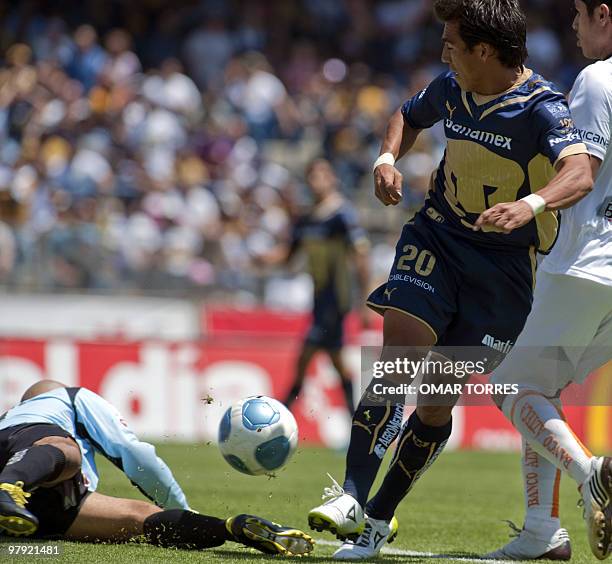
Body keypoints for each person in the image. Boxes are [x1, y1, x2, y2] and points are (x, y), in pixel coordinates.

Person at [307, 0, 594, 560]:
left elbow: (579, 171)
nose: (442, 52)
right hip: (437, 238)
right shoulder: (453, 87)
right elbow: (408, 116)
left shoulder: (542, 108)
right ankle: (350, 495)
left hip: (505, 274)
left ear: (483, 51)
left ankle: (375, 521)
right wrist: (385, 160)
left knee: (436, 405)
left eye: (451, 44)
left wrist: (529, 206)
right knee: (400, 355)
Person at [479, 1, 612, 560]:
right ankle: (541, 532)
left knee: (509, 387)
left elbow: (584, 172)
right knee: (543, 390)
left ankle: (594, 475)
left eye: (578, 16)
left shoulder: (598, 79)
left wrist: (529, 205)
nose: (574, 29)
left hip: (588, 261)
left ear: (602, 14)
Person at [0, 380, 314, 557]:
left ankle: (231, 528)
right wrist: (184, 511)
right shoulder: (63, 400)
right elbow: (137, 456)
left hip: (51, 503)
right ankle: (7, 487)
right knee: (68, 453)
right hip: (26, 466)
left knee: (140, 518)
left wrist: (188, 523)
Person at [262, 158, 371, 415]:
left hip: (337, 299)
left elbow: (361, 257)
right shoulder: (306, 220)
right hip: (318, 298)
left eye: (322, 174)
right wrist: (263, 258)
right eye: (312, 175)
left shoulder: (342, 216)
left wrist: (364, 302)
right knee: (335, 361)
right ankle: (356, 422)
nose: (317, 181)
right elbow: (289, 257)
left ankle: (279, 418)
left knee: (306, 354)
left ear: (332, 178)